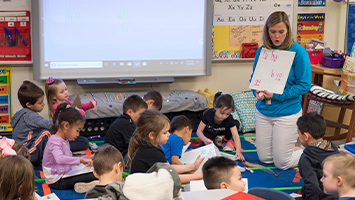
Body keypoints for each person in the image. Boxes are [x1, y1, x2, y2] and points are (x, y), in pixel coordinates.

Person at [250, 11, 312, 170]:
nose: (277, 36)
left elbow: (304, 85)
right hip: (264, 111)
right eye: (273, 32)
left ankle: (311, 151)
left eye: (281, 32)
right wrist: (256, 91)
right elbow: (254, 79)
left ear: (288, 31)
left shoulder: (298, 52)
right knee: (265, 159)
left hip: (287, 113)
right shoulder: (262, 51)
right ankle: (289, 149)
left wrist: (278, 95)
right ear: (267, 31)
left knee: (282, 164)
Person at [128, 110, 204, 184]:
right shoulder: (151, 153)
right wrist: (200, 175)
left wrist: (192, 166)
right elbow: (172, 178)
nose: (168, 134)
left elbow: (170, 168)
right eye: (165, 133)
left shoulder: (150, 147)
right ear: (152, 135)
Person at [42, 102, 96, 190]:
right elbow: (60, 159)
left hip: (63, 173)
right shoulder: (54, 140)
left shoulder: (64, 140)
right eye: (77, 130)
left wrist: (87, 157)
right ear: (66, 125)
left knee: (92, 168)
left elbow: (69, 158)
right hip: (57, 181)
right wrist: (81, 160)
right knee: (95, 173)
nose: (78, 134)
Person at [45, 77, 96, 152]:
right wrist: (80, 112)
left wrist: (91, 104)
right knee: (84, 143)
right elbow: (72, 113)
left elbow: (78, 106)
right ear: (53, 96)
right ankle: (58, 148)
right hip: (63, 137)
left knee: (84, 140)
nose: (66, 92)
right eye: (62, 92)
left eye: (66, 89)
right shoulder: (56, 107)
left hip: (68, 135)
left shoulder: (66, 101)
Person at [297, 112, 339, 200]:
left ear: (306, 136)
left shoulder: (306, 158)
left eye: (299, 134)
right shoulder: (334, 149)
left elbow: (313, 188)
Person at [11, 80, 52, 165]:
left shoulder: (22, 112)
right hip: (27, 153)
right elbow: (49, 125)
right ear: (29, 105)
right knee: (46, 133)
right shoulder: (29, 116)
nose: (43, 104)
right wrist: (63, 124)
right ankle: (47, 163)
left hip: (21, 152)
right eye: (40, 102)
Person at [196, 92, 245, 161]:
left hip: (223, 130)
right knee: (206, 146)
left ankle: (224, 141)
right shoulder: (208, 114)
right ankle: (215, 139)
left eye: (227, 114)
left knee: (235, 124)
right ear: (215, 107)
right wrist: (205, 139)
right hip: (210, 131)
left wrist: (238, 152)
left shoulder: (229, 118)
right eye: (222, 113)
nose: (224, 116)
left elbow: (236, 135)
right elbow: (199, 131)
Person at [104, 95, 147, 165]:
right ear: (130, 112)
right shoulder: (127, 124)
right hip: (116, 158)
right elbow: (134, 144)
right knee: (141, 155)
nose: (142, 117)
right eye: (141, 114)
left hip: (114, 154)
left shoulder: (124, 120)